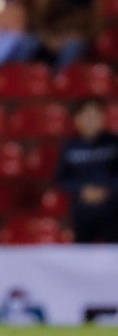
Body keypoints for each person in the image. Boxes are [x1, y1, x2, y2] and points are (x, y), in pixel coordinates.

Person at [56, 99, 118, 243]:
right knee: (82, 256)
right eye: (87, 116)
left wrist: (107, 190)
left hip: (113, 209)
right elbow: (62, 178)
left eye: (96, 115)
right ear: (77, 119)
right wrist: (82, 190)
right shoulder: (69, 147)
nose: (91, 120)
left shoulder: (114, 144)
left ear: (104, 118)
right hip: (82, 211)